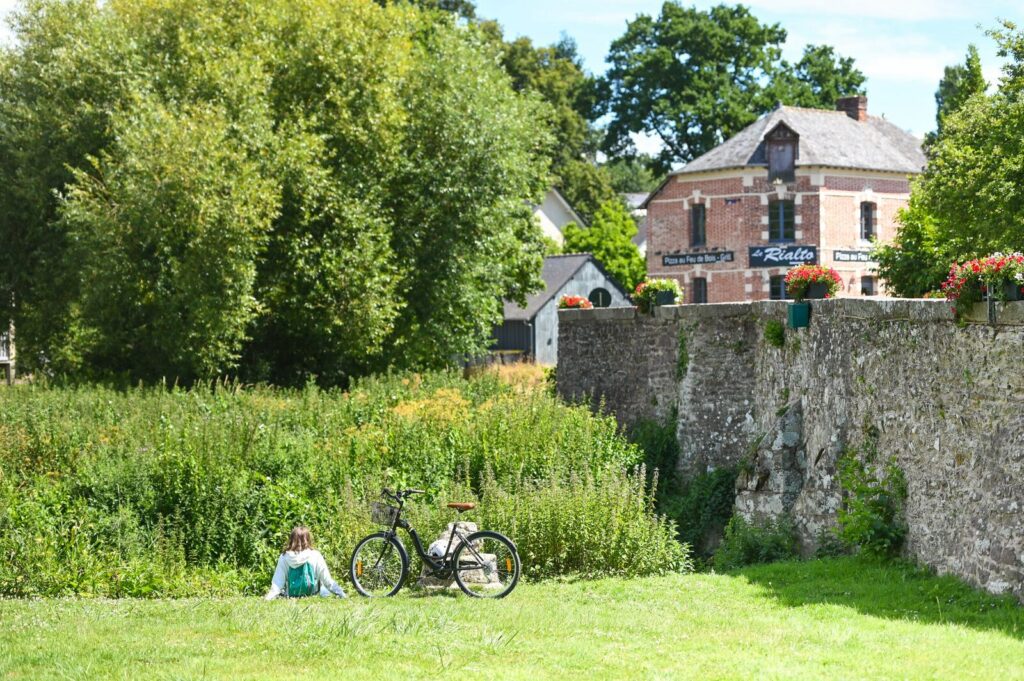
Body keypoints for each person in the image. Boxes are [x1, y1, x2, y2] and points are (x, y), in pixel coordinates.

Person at [264, 526, 347, 600]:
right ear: (308, 540)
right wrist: (341, 594)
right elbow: (327, 580)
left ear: (291, 540)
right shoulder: (315, 555)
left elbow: (277, 583)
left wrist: (269, 597)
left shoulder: (285, 557)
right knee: (324, 588)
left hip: (291, 595)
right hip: (312, 594)